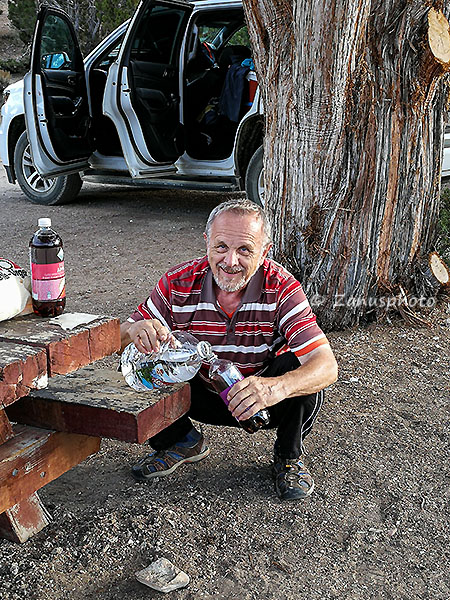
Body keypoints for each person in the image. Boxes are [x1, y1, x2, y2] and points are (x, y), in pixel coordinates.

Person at [120, 199, 338, 501]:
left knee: (298, 368)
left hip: (259, 398)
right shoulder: (177, 282)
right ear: (207, 242)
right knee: (143, 365)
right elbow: (117, 336)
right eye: (221, 247)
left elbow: (326, 365)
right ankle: (181, 440)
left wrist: (274, 388)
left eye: (245, 250)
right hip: (200, 392)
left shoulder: (283, 288)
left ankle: (289, 456)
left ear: (264, 252)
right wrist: (134, 330)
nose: (230, 261)